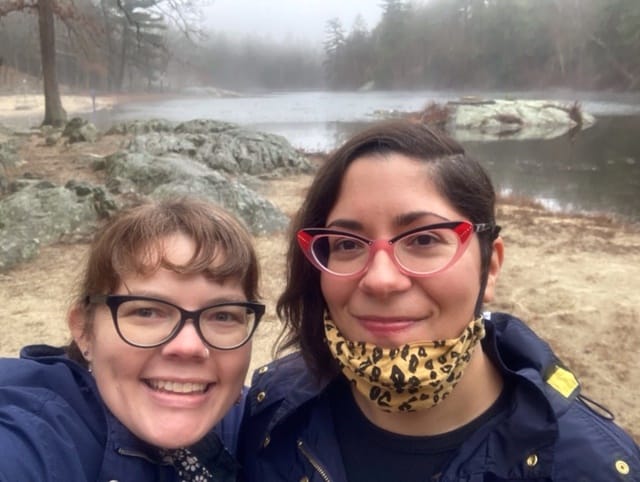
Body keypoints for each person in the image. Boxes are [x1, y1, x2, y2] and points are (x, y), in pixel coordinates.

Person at [238, 120, 640, 481]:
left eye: (424, 239)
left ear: (491, 267)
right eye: (346, 243)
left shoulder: (588, 468)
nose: (380, 279)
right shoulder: (271, 412)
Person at [0, 197, 265, 481]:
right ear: (85, 332)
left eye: (223, 316)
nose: (189, 346)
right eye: (147, 311)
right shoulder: (35, 436)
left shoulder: (261, 421)